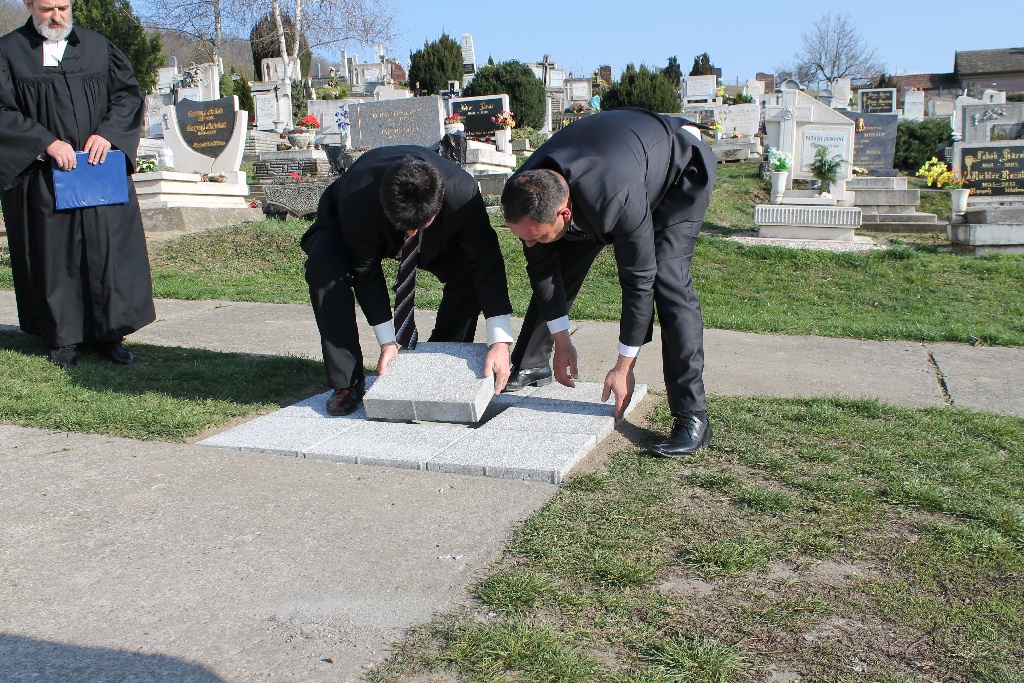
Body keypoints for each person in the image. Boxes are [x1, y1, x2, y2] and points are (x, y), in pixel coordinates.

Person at [500, 108, 716, 457]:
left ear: (564, 213)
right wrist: (561, 340)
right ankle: (533, 362)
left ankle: (692, 416)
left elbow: (639, 281)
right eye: (524, 237)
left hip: (679, 168)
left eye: (536, 236)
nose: (530, 244)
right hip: (613, 165)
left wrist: (624, 366)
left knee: (668, 279)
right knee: (556, 257)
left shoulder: (615, 199)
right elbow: (543, 272)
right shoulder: (528, 189)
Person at [302, 145, 514, 416]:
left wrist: (500, 341)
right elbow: (365, 271)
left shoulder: (463, 191)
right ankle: (347, 381)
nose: (412, 233)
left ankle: (441, 352)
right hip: (357, 221)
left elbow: (486, 261)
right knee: (324, 267)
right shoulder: (357, 195)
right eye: (406, 228)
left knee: (469, 271)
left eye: (418, 227)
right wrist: (387, 342)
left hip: (437, 230)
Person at [0, 0, 154, 369]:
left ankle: (109, 334)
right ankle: (62, 339)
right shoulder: (8, 52)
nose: (57, 16)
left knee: (107, 252)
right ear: (28, 5)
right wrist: (44, 143)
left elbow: (127, 96)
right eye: (47, 8)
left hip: (98, 170)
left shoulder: (99, 47)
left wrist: (109, 134)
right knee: (55, 255)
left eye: (63, 7)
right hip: (43, 175)